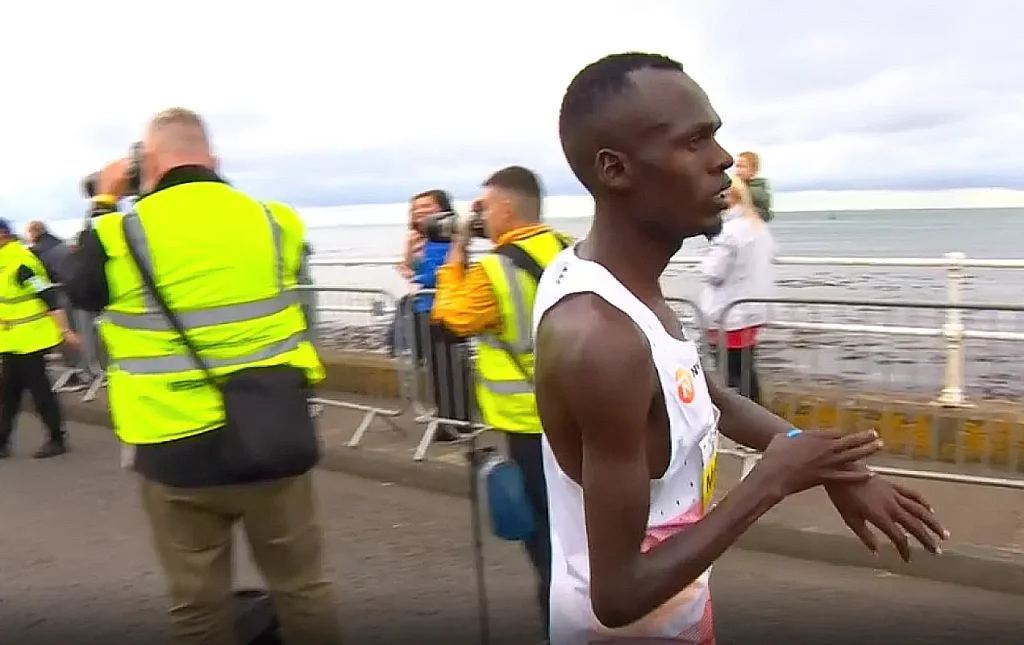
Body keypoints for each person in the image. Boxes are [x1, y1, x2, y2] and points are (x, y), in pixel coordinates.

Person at [532, 53, 948, 644]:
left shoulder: (613, 281)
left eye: (717, 136)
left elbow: (707, 396)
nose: (723, 159)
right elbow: (618, 595)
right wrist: (769, 482)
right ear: (616, 170)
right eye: (694, 140)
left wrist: (826, 464)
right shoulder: (602, 341)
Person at [61, 107, 339, 645]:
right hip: (272, 432)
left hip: (173, 445)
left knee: (197, 606)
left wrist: (103, 199)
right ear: (214, 158)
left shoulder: (117, 231)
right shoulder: (275, 220)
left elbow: (80, 290)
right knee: (303, 588)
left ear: (146, 163)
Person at [431, 165, 572, 639]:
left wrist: (454, 254)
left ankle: (563, 626)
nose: (480, 217)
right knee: (587, 530)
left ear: (507, 209)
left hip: (531, 424)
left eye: (485, 207)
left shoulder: (493, 269)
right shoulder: (570, 250)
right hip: (583, 416)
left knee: (546, 540)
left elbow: (449, 321)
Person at [0, 219, 80, 459]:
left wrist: (65, 331)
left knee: (37, 391)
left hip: (31, 338)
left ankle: (56, 438)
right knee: (10, 392)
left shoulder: (21, 263)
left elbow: (48, 295)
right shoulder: (5, 261)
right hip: (13, 339)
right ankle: (3, 441)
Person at [397, 189, 471, 441]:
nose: (420, 211)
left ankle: (458, 423)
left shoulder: (448, 237)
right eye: (416, 207)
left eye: (426, 206)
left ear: (442, 208)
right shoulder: (420, 239)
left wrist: (418, 278)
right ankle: (444, 420)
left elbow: (447, 271)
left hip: (446, 310)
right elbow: (406, 269)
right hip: (422, 309)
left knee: (451, 368)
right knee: (435, 370)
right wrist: (409, 254)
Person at [699, 178, 776, 404]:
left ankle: (743, 423)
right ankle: (758, 419)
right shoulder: (758, 227)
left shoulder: (728, 232)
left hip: (729, 312)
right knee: (746, 370)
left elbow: (714, 272)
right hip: (753, 309)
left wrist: (703, 262)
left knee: (730, 375)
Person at [734, 151, 773, 223]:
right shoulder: (738, 185)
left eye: (742, 166)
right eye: (737, 166)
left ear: (753, 170)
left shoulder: (757, 190)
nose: (738, 170)